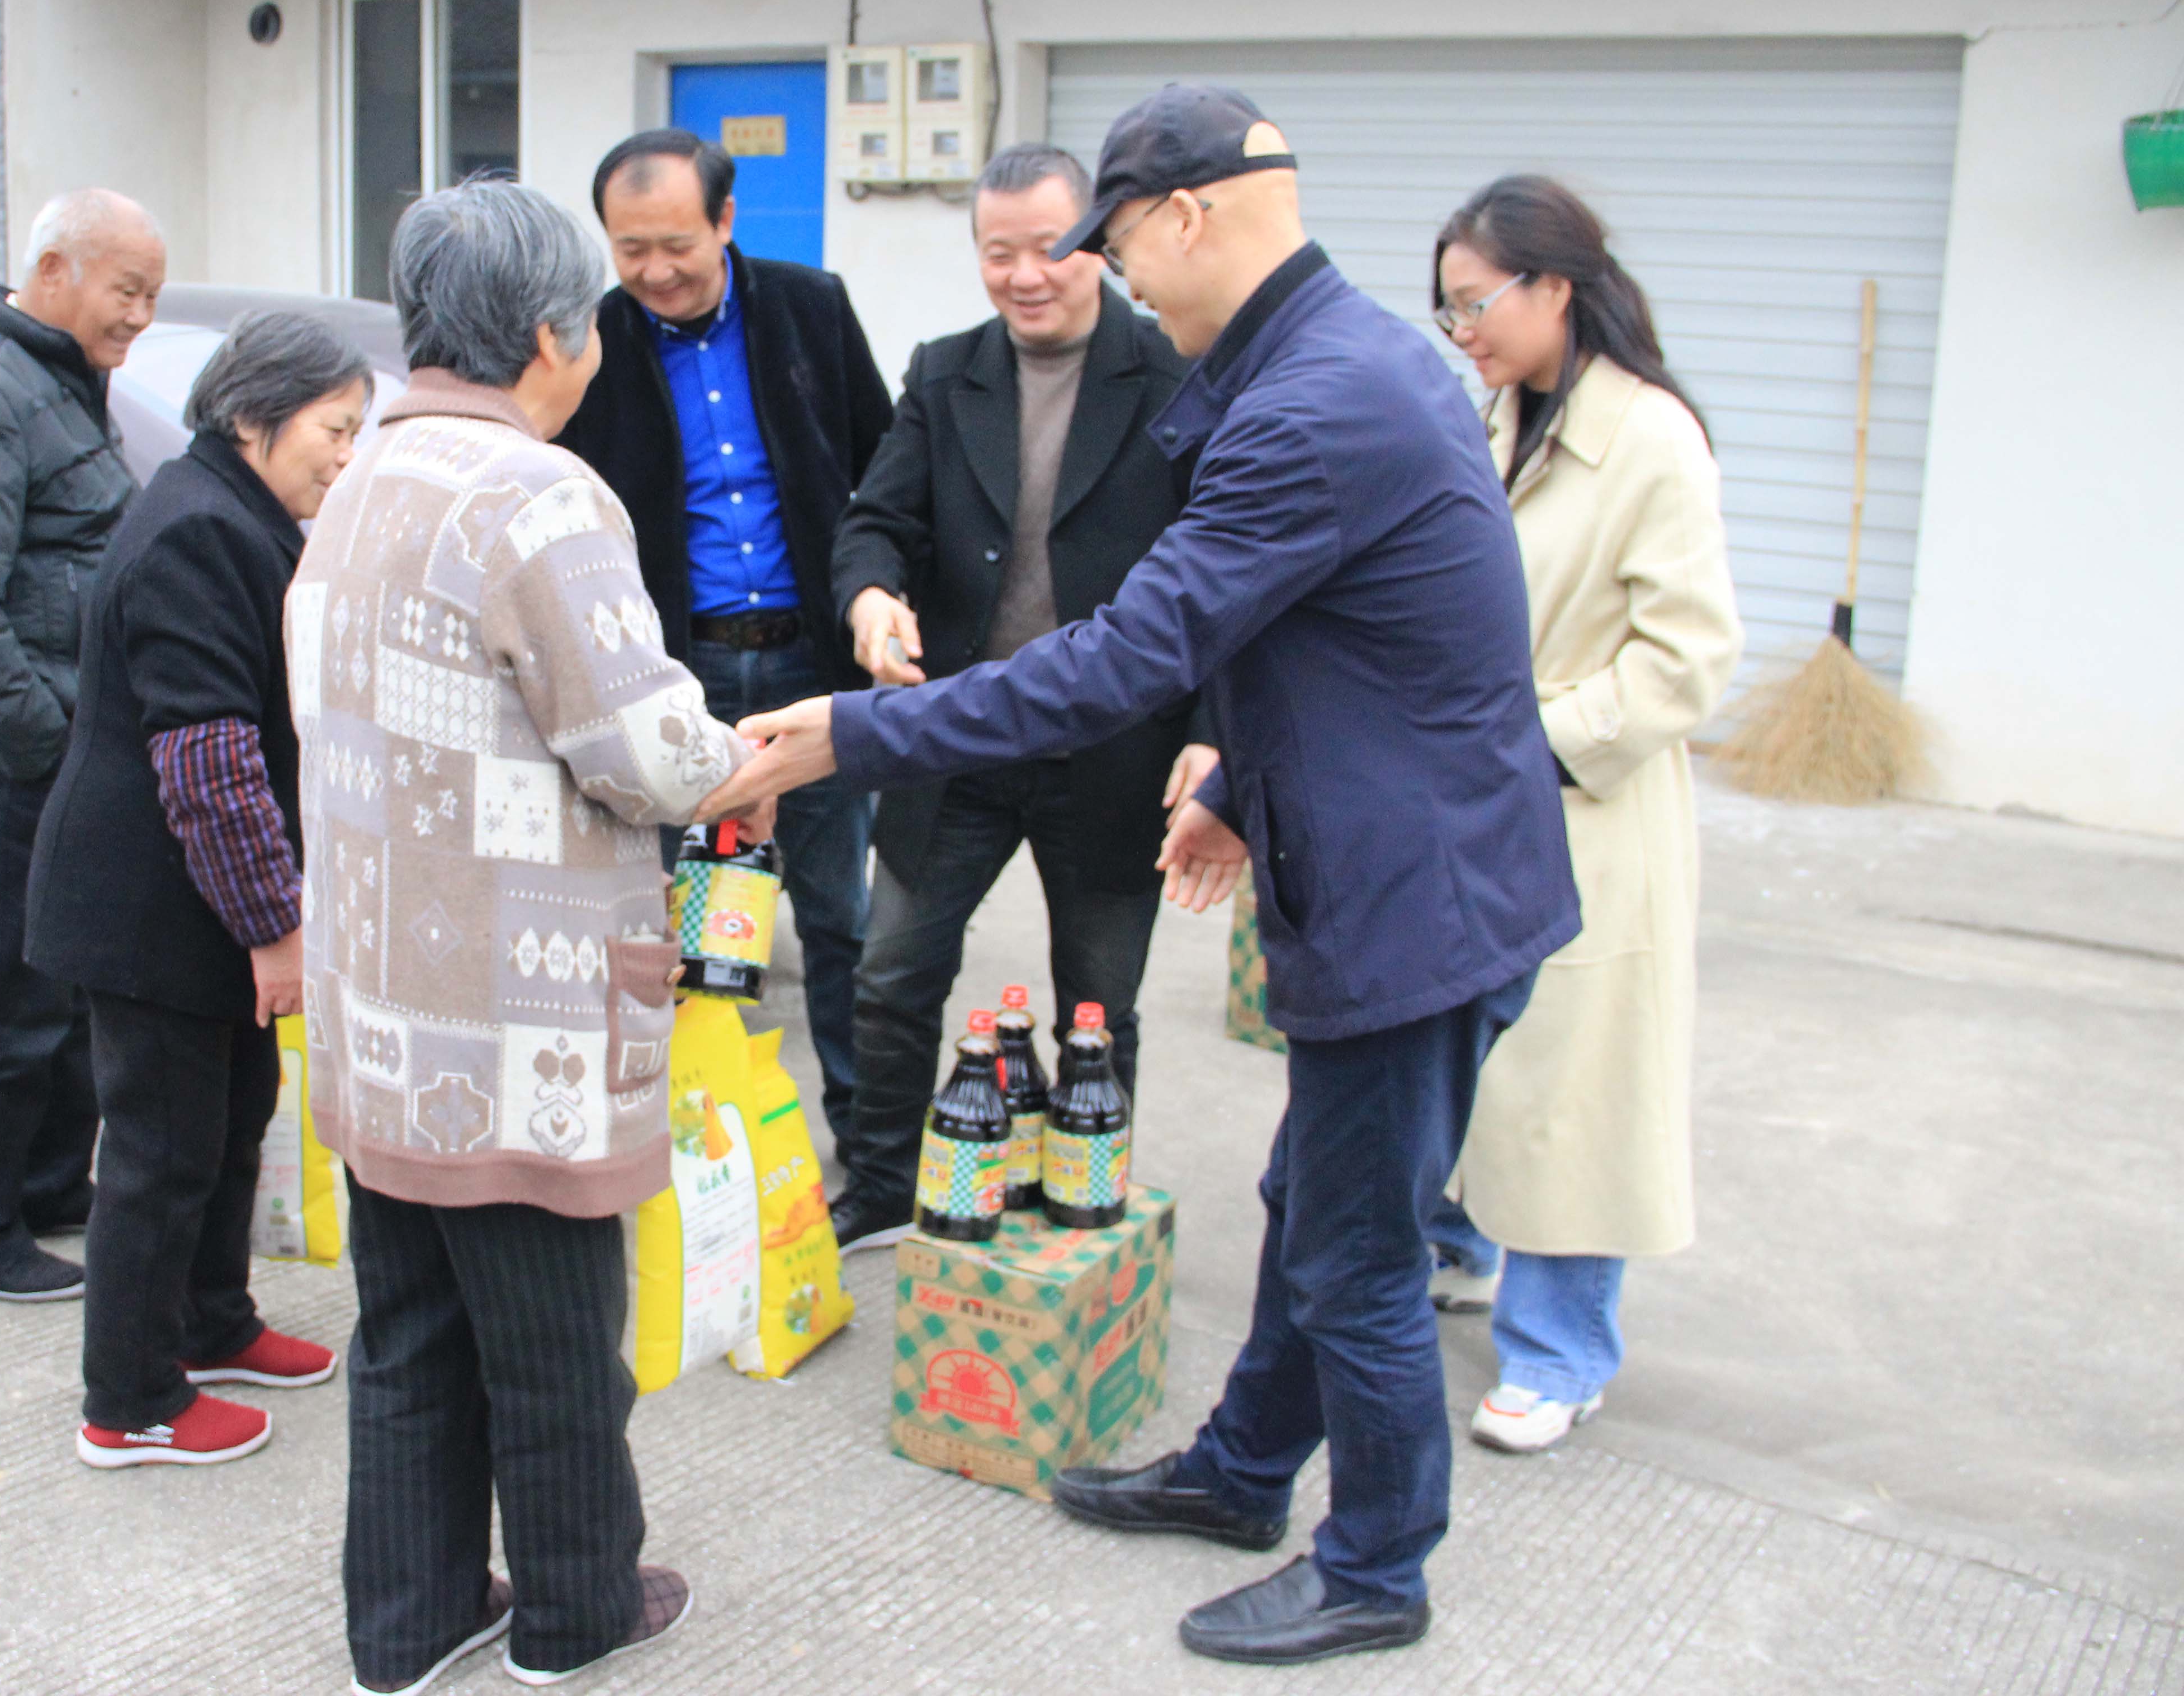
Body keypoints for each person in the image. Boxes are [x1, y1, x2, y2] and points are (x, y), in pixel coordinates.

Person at [701, 87, 1581, 1666]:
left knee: (1359, 1255)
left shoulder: (1316, 401)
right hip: (1398, 863)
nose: (1105, 274)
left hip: (1416, 897)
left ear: (1185, 214)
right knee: (1314, 1207)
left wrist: (853, 734)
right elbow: (1366, 638)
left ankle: (1377, 1565)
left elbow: (1131, 654)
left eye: (1113, 241)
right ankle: (1243, 1475)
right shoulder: (1337, 361)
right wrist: (1236, 778)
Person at [291, 178, 768, 1695]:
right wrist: (746, 752)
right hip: (512, 1015)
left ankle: (410, 1620)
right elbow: (644, 748)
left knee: (409, 1330)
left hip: (384, 997)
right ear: (556, 334)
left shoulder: (362, 472)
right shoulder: (536, 493)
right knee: (558, 1342)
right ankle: (575, 1612)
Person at [824, 142, 1213, 1253]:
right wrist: (871, 597)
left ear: (1099, 242)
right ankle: (881, 1184)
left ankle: (1078, 1197)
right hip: (959, 738)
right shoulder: (948, 372)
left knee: (1098, 1004)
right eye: (1000, 253)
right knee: (893, 974)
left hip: (1114, 747)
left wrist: (1212, 736)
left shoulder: (1178, 376)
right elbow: (876, 521)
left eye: (1051, 247)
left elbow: (1227, 575)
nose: (1026, 275)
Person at [1417, 175, 1743, 1453]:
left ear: (1555, 286)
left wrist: (1533, 744)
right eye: (1448, 311)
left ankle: (1561, 1353)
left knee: (1577, 1091)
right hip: (1480, 798)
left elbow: (1686, 661)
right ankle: (1463, 1247)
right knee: (1477, 1055)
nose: (1463, 333)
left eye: (1476, 304)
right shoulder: (1500, 417)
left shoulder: (1652, 438)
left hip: (1585, 804)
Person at [25, 311, 371, 1468]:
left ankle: (212, 1321)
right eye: (334, 429)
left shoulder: (234, 510)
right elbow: (208, 762)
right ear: (254, 415)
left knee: (232, 1123)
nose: (346, 455)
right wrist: (276, 929)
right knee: (160, 1152)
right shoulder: (199, 531)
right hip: (150, 907)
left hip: (195, 902)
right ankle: (129, 1400)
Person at [554, 129, 891, 1151]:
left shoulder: (810, 308)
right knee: (669, 917)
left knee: (837, 915)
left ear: (726, 221)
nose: (656, 271)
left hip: (809, 663)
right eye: (630, 249)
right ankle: (677, 1146)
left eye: (677, 245)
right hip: (675, 674)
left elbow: (881, 467)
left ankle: (864, 1145)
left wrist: (878, 599)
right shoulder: (592, 341)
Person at [0, 188, 161, 1302]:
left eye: (153, 296)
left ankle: (49, 1188)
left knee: (64, 989)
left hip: (62, 738)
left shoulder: (58, 378)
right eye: (127, 291)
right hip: (7, 748)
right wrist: (53, 752)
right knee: (1, 998)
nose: (140, 316)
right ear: (53, 270)